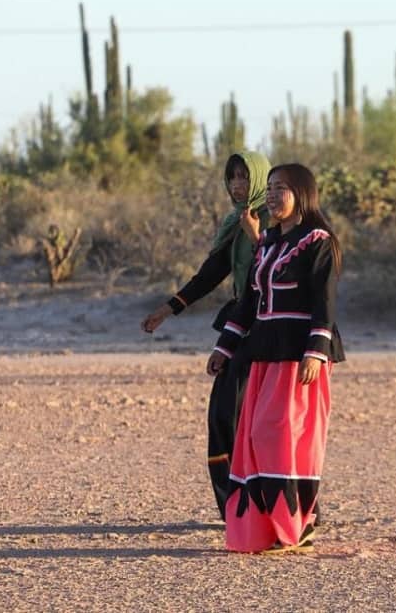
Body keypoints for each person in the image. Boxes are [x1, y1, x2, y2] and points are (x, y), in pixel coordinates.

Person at [207, 163, 344, 554]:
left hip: (299, 354)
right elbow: (249, 302)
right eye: (268, 187)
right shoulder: (267, 241)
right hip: (264, 351)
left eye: (281, 188)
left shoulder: (318, 240)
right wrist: (225, 347)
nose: (271, 194)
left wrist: (315, 352)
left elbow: (325, 302)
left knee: (282, 433)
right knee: (253, 435)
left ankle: (298, 524)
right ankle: (267, 530)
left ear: (302, 193)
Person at [141, 150, 271, 520]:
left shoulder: (276, 223)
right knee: (223, 416)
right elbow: (209, 275)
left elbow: (282, 268)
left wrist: (258, 235)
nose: (237, 185)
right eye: (232, 178)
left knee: (258, 421)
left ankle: (277, 505)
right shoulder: (236, 224)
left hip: (271, 331)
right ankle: (235, 506)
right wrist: (168, 309)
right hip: (240, 327)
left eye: (245, 177)